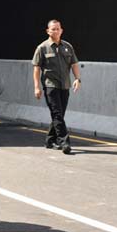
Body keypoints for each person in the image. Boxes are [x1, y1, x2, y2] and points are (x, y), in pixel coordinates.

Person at [32, 19, 81, 155]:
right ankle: (64, 142)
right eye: (53, 29)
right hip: (50, 86)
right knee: (57, 114)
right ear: (48, 31)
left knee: (59, 114)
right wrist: (37, 87)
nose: (56, 31)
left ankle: (50, 140)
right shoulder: (42, 48)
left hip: (65, 85)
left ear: (61, 30)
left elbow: (74, 64)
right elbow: (36, 69)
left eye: (58, 29)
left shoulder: (67, 46)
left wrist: (77, 79)